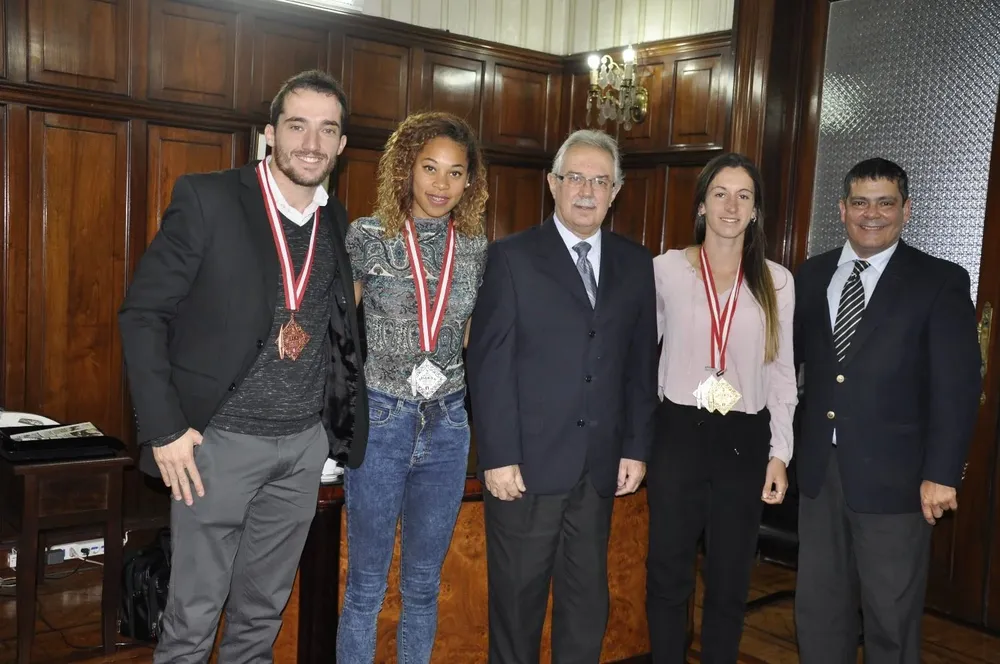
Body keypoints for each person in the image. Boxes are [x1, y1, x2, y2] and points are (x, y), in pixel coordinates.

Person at [117, 69, 368, 663]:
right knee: (193, 619)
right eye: (297, 126)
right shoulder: (208, 199)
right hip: (216, 446)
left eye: (326, 130)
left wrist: (328, 436)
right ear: (270, 133)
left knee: (260, 617)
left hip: (300, 450)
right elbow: (142, 314)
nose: (311, 143)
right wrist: (165, 430)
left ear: (341, 144)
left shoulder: (336, 219)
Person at [466, 128, 658, 663]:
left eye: (601, 181)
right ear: (553, 183)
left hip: (598, 469)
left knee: (586, 606)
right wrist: (498, 456)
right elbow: (489, 365)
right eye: (576, 177)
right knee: (517, 608)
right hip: (525, 469)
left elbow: (641, 365)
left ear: (616, 191)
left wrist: (635, 447)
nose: (587, 191)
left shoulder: (636, 263)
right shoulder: (511, 257)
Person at [793, 157, 981, 664]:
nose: (871, 214)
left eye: (885, 203)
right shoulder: (810, 276)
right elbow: (787, 366)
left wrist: (942, 474)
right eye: (860, 202)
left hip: (899, 482)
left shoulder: (939, 280)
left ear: (906, 209)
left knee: (890, 621)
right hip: (819, 475)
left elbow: (958, 386)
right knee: (818, 612)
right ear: (842, 209)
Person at [336, 111, 489, 663]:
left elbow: (470, 335)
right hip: (382, 418)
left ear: (469, 182)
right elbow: (338, 332)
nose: (441, 184)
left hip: (448, 424)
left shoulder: (475, 247)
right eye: (430, 168)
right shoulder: (367, 236)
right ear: (406, 168)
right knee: (366, 587)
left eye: (455, 172)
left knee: (423, 586)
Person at [644, 152, 797, 662]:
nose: (731, 206)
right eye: (720, 194)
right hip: (678, 432)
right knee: (668, 572)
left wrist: (779, 453)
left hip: (744, 437)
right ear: (702, 205)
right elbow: (642, 356)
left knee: (730, 577)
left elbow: (782, 372)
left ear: (756, 211)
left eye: (743, 196)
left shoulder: (777, 281)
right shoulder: (665, 269)